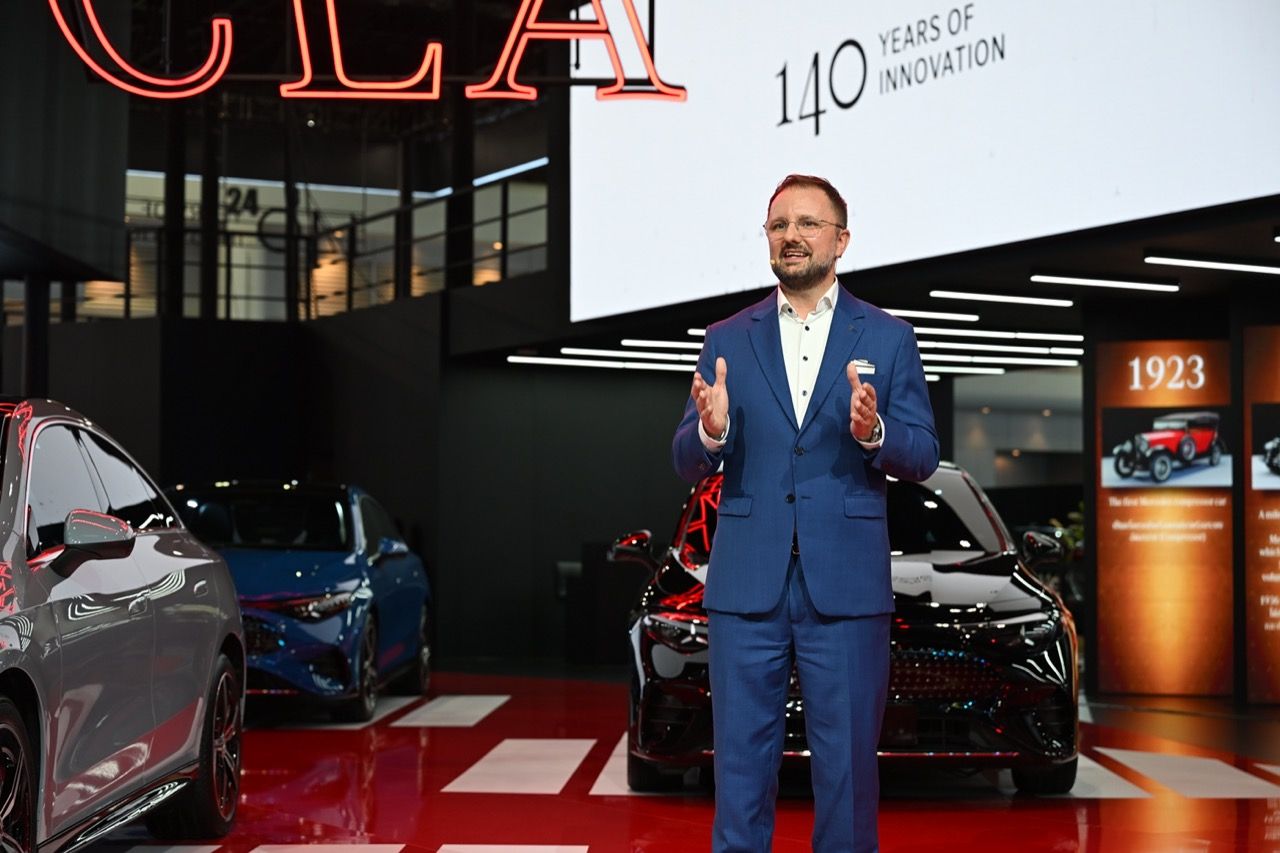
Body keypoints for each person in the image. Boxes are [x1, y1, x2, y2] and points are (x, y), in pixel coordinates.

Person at [671, 174, 939, 853]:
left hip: (845, 586)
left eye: (808, 224)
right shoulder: (727, 338)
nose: (791, 235)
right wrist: (710, 432)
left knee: (848, 775)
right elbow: (683, 457)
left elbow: (924, 454)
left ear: (841, 240)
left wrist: (875, 434)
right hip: (746, 586)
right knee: (738, 772)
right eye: (779, 225)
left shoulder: (889, 337)